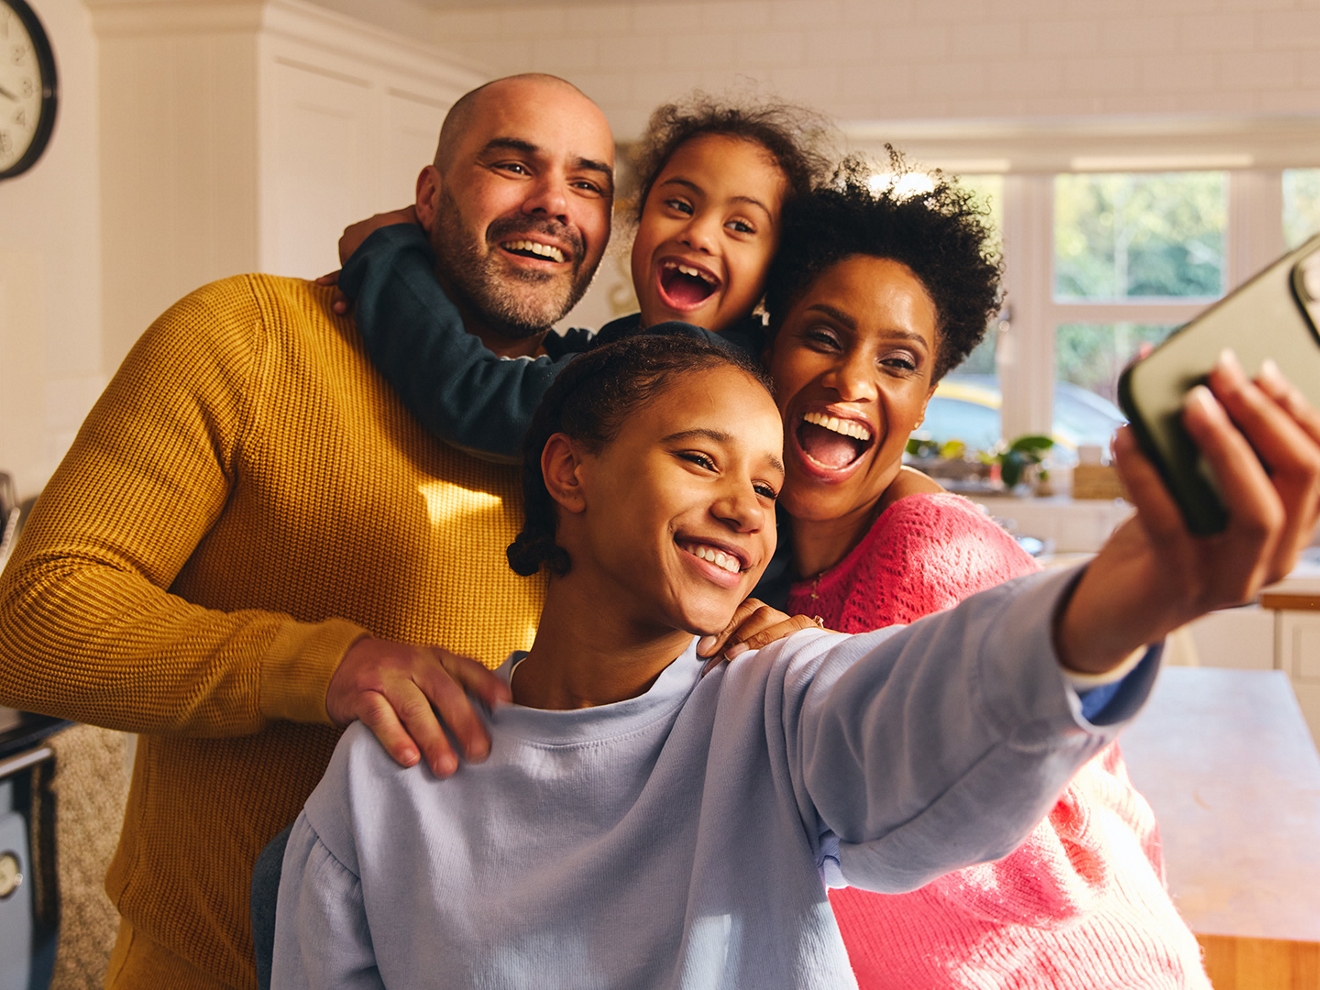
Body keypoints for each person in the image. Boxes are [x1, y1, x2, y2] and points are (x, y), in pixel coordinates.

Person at [271, 330, 1320, 989]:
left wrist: (1132, 591)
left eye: (769, 488)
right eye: (701, 459)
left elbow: (922, 715)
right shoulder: (389, 775)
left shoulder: (772, 706)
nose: (744, 508)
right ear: (570, 472)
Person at [0, 73, 621, 989]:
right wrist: (322, 664)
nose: (553, 203)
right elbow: (31, 624)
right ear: (429, 195)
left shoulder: (616, 423)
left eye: (588, 183)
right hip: (213, 968)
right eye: (513, 163)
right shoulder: (250, 336)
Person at [761, 165, 1210, 986]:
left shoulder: (935, 553)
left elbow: (1027, 851)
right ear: (769, 350)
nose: (852, 381)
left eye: (897, 361)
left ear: (926, 399)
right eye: (822, 336)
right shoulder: (772, 560)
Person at [327, 94, 830, 461]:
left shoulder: (694, 371)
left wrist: (388, 258)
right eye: (679, 205)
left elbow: (471, 396)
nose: (698, 234)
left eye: (741, 226)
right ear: (635, 221)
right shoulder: (630, 347)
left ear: (775, 270)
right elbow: (561, 362)